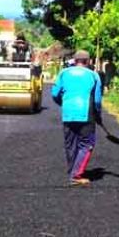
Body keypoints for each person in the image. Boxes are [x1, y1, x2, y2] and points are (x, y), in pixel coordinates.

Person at [51, 50, 102, 186]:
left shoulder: (63, 73)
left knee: (71, 143)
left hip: (68, 113)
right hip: (86, 114)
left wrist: (63, 103)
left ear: (74, 61)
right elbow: (97, 100)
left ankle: (72, 170)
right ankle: (76, 175)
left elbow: (55, 93)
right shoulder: (93, 75)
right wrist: (98, 115)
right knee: (87, 144)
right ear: (88, 61)